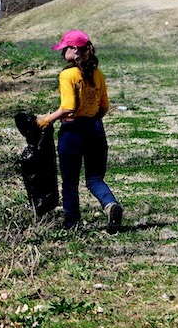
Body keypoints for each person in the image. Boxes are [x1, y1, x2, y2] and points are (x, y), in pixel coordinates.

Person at [37, 30, 123, 233]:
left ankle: (71, 223)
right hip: (95, 129)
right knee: (94, 178)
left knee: (70, 182)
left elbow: (68, 107)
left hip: (73, 132)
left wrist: (46, 120)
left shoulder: (68, 75)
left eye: (65, 48)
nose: (62, 52)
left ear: (75, 49)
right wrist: (92, 121)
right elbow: (104, 106)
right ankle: (110, 204)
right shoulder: (98, 74)